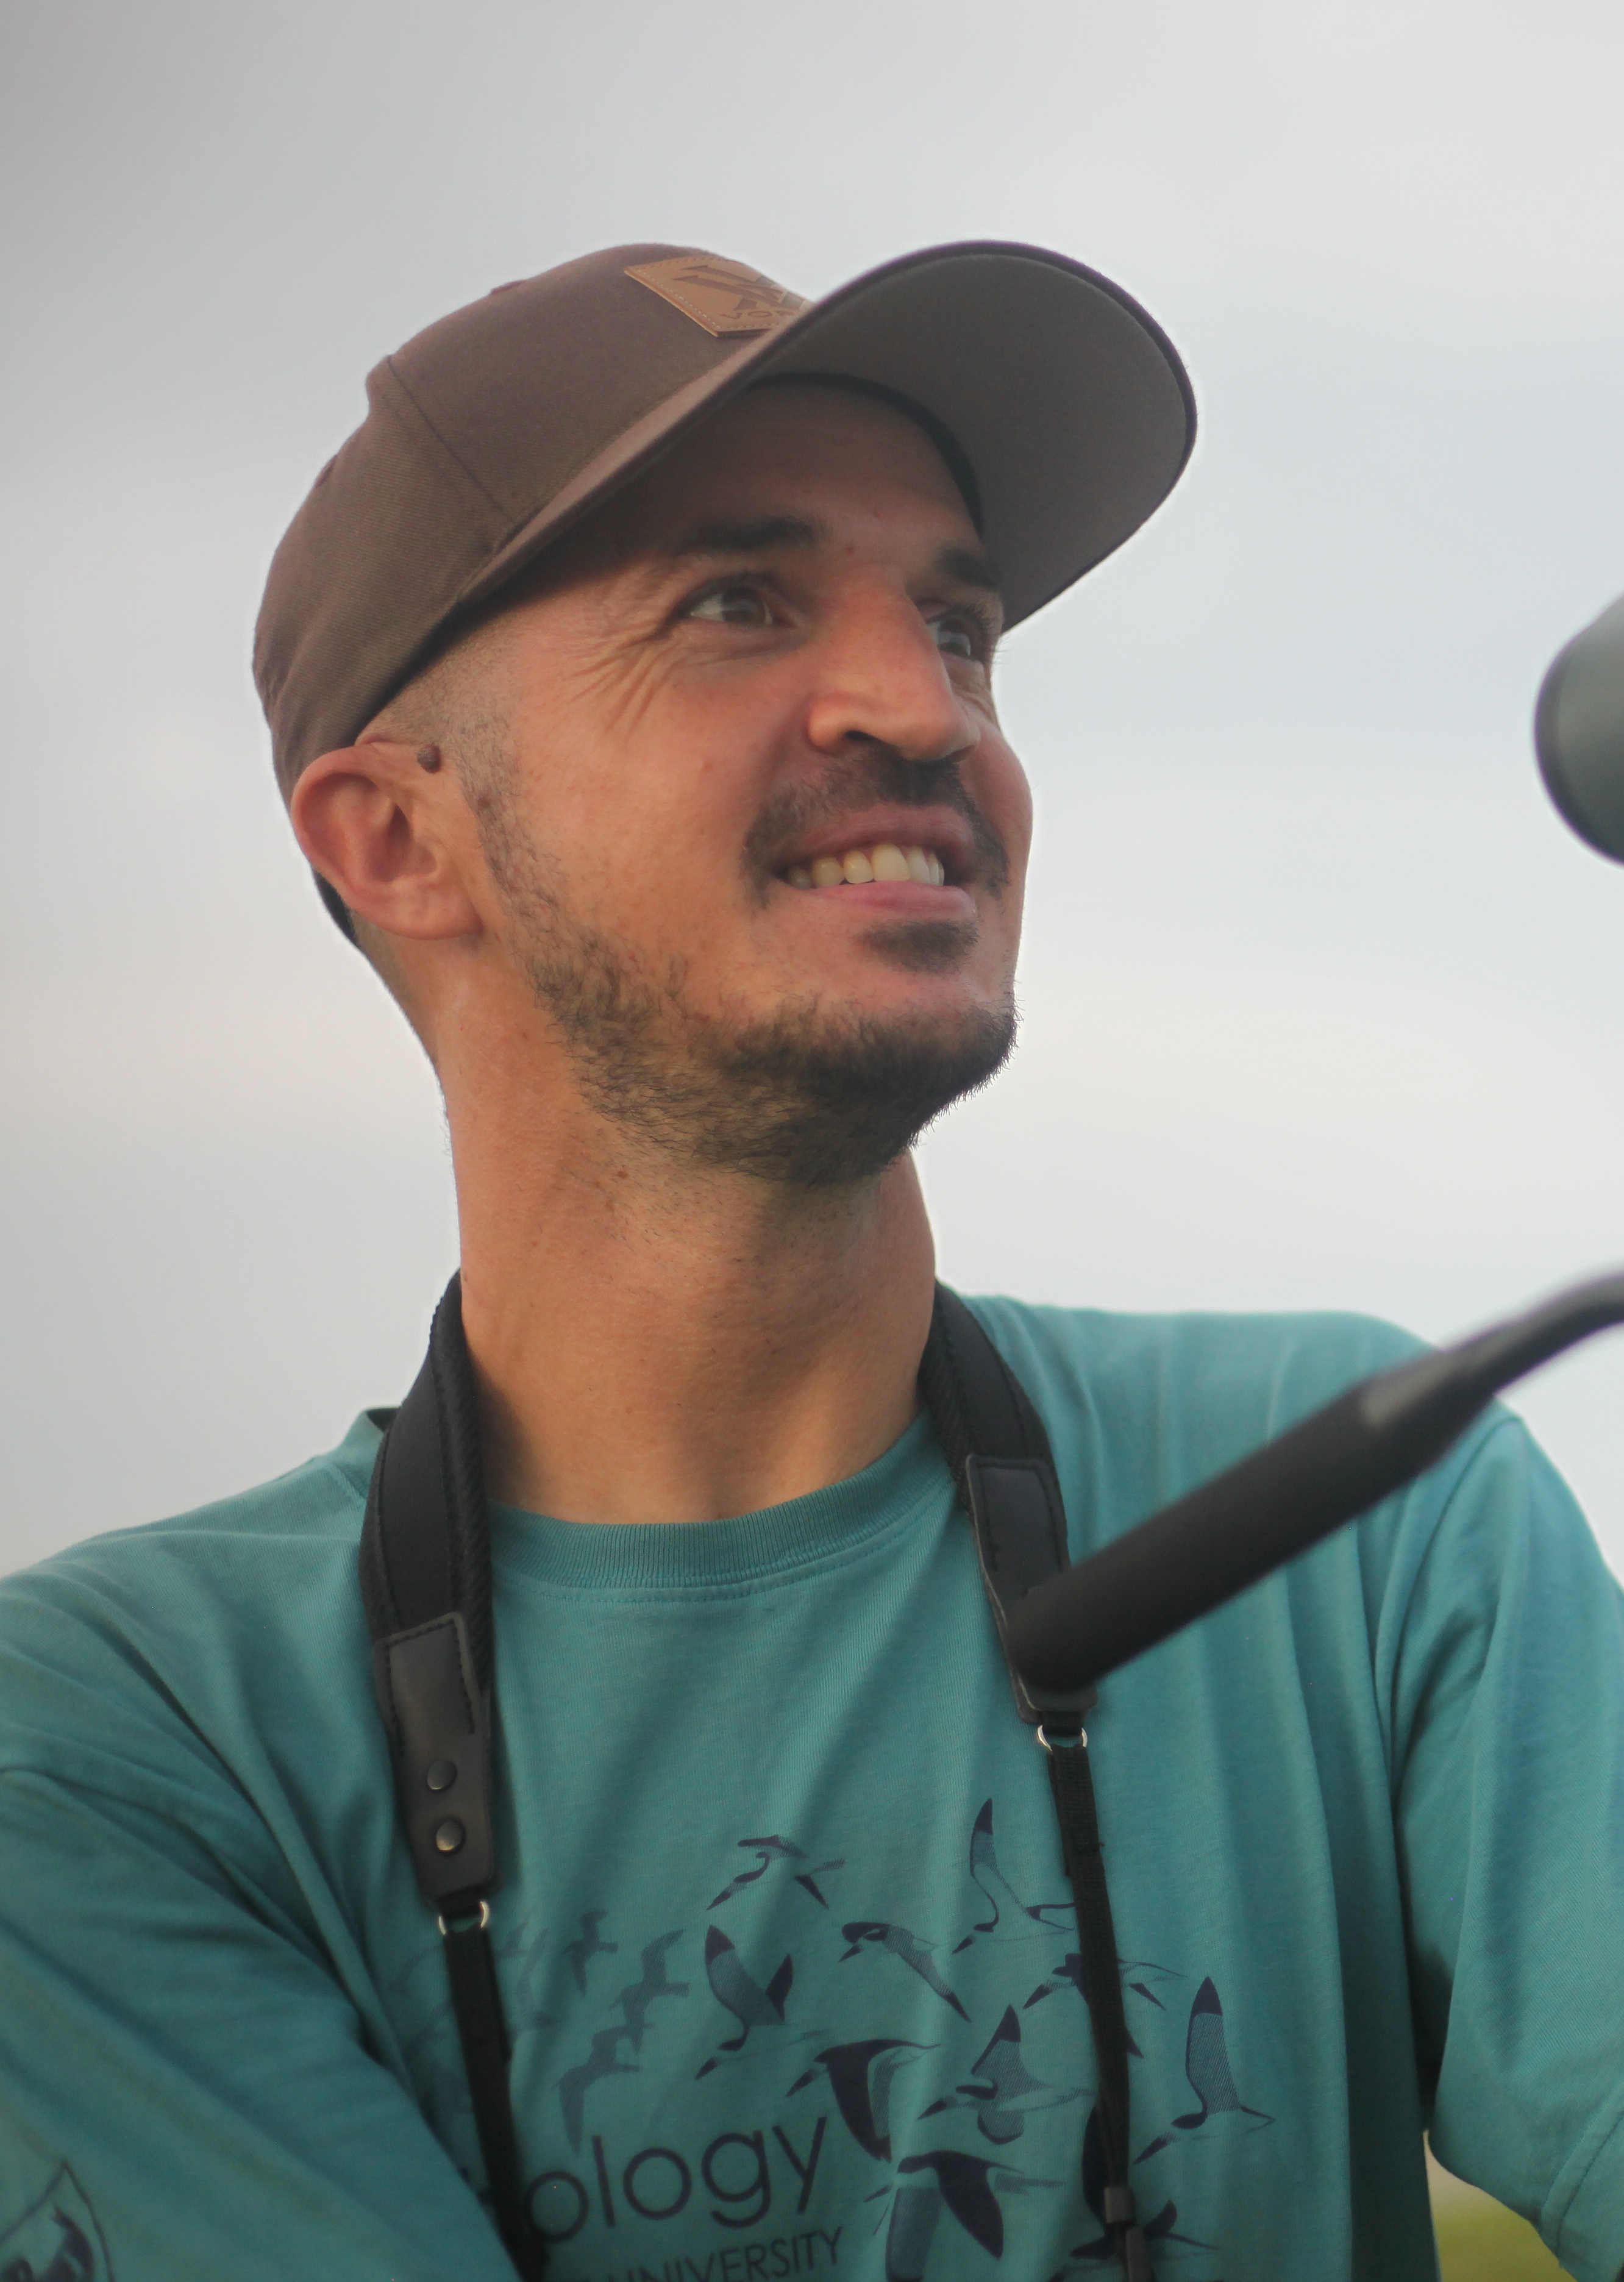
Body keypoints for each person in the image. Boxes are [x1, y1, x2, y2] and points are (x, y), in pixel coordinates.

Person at [1, 240, 1620, 2282]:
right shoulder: (111, 1740)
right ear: (397, 838)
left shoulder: (1365, 1501)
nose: (923, 704)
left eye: (964, 621)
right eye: (738, 603)